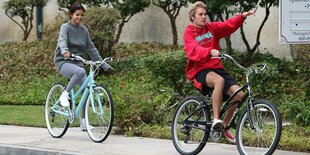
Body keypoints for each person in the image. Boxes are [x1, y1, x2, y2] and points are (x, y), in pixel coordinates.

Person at [183, 1, 254, 143]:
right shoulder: (189, 32)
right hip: (201, 70)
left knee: (239, 94)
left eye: (205, 14)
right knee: (219, 81)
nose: (204, 17)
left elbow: (227, 25)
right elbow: (192, 49)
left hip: (217, 68)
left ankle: (224, 126)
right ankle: (216, 119)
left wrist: (242, 17)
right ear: (193, 17)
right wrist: (209, 52)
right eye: (200, 14)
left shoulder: (211, 28)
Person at [53, 2, 113, 131]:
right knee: (80, 72)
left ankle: (83, 122)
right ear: (70, 15)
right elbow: (62, 40)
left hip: (78, 62)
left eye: (81, 15)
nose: (79, 17)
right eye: (77, 15)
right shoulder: (65, 27)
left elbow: (91, 48)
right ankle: (65, 94)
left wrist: (104, 65)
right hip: (63, 61)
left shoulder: (83, 30)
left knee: (86, 89)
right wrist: (64, 51)